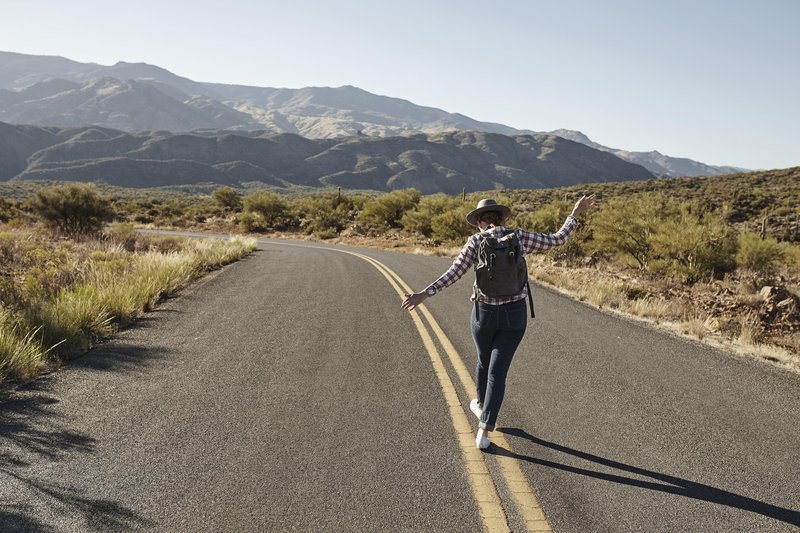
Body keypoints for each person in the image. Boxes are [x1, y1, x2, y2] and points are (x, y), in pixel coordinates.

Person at [401, 194, 596, 449]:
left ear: (479, 221)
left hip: (484, 315)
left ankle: (481, 407)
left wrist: (424, 294)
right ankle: (484, 428)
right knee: (498, 371)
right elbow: (557, 240)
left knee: (484, 361)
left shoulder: (475, 241)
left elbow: (454, 273)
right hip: (515, 315)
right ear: (502, 218)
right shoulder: (520, 237)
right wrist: (574, 213)